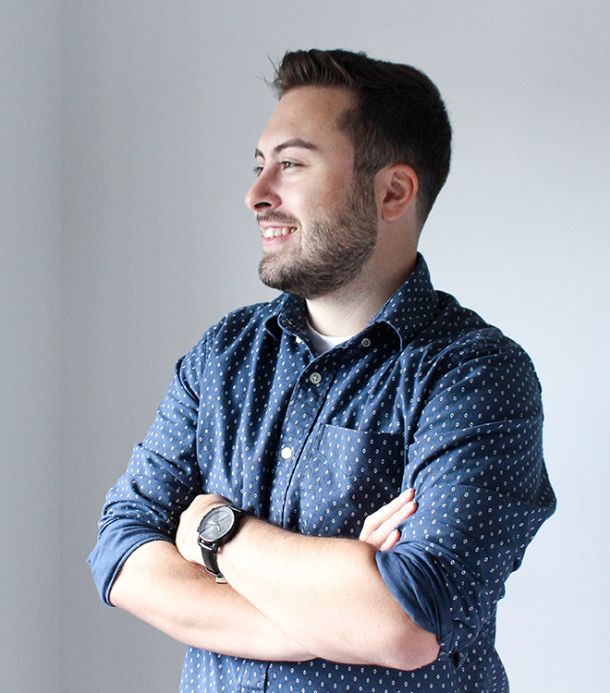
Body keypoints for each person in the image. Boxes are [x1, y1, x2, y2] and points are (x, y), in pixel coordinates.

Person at [89, 48, 556, 692]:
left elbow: (407, 621)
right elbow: (120, 550)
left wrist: (212, 532)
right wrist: (332, 616)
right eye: (259, 164)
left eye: (291, 164)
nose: (256, 194)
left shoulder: (474, 374)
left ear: (392, 191)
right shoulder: (224, 354)